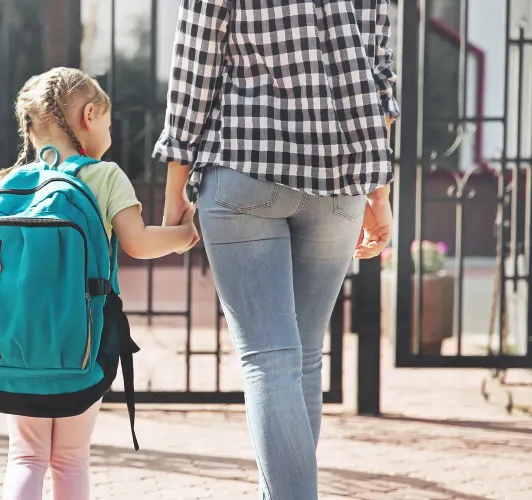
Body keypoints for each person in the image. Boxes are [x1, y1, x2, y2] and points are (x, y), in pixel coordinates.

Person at [153, 1, 399, 499]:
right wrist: (380, 192)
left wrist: (174, 187)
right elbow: (380, 75)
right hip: (341, 182)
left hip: (246, 167)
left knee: (270, 358)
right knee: (304, 358)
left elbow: (194, 67)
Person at [0, 67, 198, 500]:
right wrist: (182, 237)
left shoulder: (10, 181)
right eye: (106, 119)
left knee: (25, 458)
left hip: (10, 349)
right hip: (80, 345)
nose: (108, 129)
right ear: (89, 115)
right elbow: (138, 244)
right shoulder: (104, 176)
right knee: (69, 458)